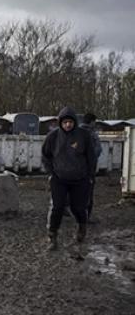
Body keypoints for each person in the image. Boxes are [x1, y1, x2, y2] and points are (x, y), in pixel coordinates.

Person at [41, 107, 96, 251]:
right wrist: (51, 173)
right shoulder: (53, 137)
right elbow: (45, 156)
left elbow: (91, 157)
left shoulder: (84, 135)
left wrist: (90, 176)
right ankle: (52, 237)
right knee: (57, 207)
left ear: (74, 122)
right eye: (65, 122)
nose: (68, 125)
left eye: (70, 122)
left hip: (80, 179)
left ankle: (81, 227)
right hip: (59, 178)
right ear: (60, 123)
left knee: (78, 207)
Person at [79, 112, 102, 221]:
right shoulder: (92, 134)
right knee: (88, 192)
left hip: (75, 168)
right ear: (92, 121)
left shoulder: (75, 132)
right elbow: (98, 149)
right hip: (89, 169)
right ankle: (85, 217)